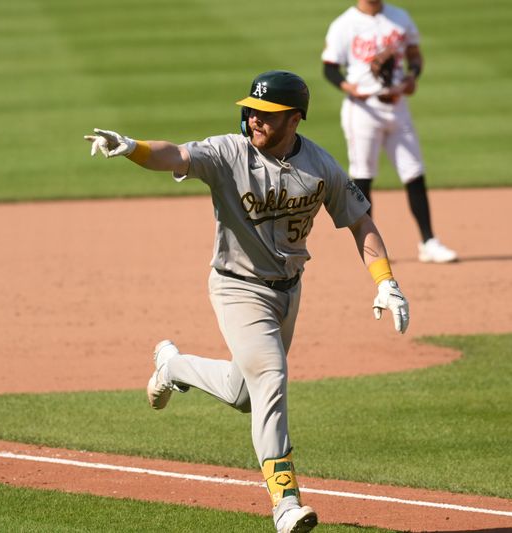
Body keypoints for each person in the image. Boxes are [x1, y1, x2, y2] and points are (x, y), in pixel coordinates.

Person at [84, 70, 409, 533]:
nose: (254, 119)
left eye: (268, 114)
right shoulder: (226, 153)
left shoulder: (321, 166)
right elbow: (175, 154)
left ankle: (173, 367)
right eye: (251, 109)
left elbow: (361, 222)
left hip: (288, 292)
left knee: (244, 392)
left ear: (295, 119)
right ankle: (285, 502)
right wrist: (132, 147)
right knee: (271, 378)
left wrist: (386, 282)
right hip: (238, 287)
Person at [322, 0, 458, 263]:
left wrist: (412, 76)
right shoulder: (343, 25)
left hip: (398, 107)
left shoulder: (399, 17)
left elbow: (414, 55)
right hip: (362, 110)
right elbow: (329, 68)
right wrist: (349, 88)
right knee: (363, 176)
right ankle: (371, 249)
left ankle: (428, 241)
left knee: (414, 171)